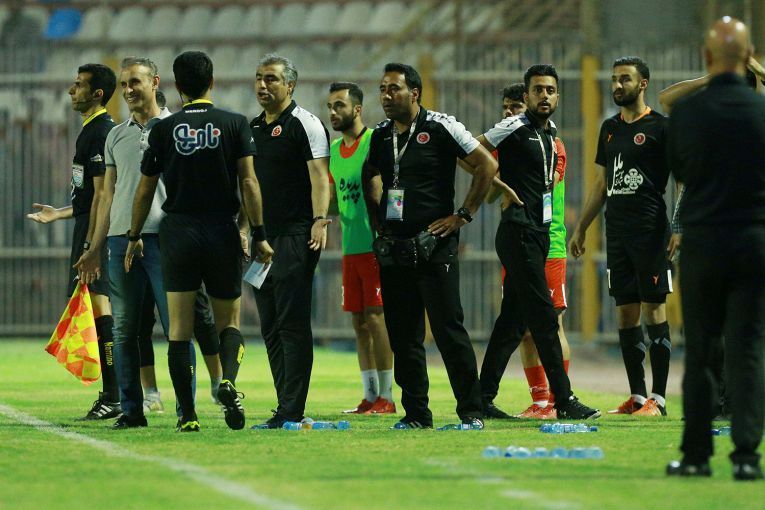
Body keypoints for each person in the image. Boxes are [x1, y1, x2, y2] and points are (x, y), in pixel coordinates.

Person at [73, 57, 224, 428]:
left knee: (178, 328)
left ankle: (186, 411)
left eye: (135, 82)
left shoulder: (177, 129)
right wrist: (94, 247)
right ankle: (131, 410)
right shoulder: (115, 135)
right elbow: (106, 195)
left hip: (166, 240)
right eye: (124, 84)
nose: (128, 90)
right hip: (118, 241)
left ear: (155, 82)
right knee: (124, 330)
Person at [126, 51, 272, 432]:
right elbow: (249, 183)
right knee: (229, 323)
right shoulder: (235, 124)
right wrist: (258, 233)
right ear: (212, 82)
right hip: (222, 229)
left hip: (179, 231)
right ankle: (227, 382)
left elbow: (144, 190)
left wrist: (134, 235)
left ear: (177, 86)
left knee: (179, 329)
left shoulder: (163, 130)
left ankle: (188, 415)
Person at [362, 62, 496, 429]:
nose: (386, 96)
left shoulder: (441, 126)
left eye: (394, 89)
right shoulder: (380, 135)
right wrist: (377, 221)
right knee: (404, 335)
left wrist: (462, 215)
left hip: (434, 244)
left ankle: (471, 412)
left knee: (448, 330)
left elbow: (486, 166)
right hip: (395, 248)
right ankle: (417, 414)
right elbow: (368, 174)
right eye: (383, 89)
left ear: (415, 93)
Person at [666, 17, 765, 481]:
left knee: (701, 348)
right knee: (748, 347)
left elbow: (680, 169)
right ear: (749, 56)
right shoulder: (761, 111)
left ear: (706, 58)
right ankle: (746, 456)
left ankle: (696, 454)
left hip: (703, 241)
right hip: (753, 240)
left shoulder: (688, 112)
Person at [476, 64, 599, 421]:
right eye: (537, 90)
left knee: (512, 323)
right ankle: (564, 400)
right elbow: (469, 149)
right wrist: (497, 184)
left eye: (550, 90)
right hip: (518, 234)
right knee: (545, 318)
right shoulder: (514, 126)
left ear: (558, 95)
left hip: (540, 235)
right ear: (527, 95)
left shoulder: (551, 134)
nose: (544, 95)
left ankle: (480, 397)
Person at [569, 56, 673, 417]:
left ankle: (659, 400)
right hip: (617, 233)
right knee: (625, 314)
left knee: (654, 309)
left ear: (642, 84)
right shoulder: (609, 128)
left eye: (625, 79)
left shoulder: (660, 127)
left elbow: (683, 179)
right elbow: (601, 183)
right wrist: (581, 227)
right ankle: (638, 397)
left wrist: (678, 226)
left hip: (651, 232)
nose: (617, 85)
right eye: (614, 79)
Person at [27, 63, 120, 421]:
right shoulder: (91, 130)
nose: (71, 90)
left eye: (79, 85)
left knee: (99, 308)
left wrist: (91, 247)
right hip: (87, 228)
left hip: (94, 235)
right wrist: (59, 214)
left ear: (97, 94)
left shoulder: (99, 132)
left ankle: (114, 395)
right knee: (96, 309)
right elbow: (89, 199)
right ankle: (115, 394)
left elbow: (103, 196)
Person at [248, 54, 330, 429]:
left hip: (296, 235)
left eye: (271, 79)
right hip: (262, 240)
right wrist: (245, 228)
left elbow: (319, 176)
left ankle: (292, 409)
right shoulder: (253, 128)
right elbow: (248, 185)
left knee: (292, 324)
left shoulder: (305, 124)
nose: (263, 85)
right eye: (259, 78)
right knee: (270, 324)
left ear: (290, 85)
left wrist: (319, 220)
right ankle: (285, 405)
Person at [326, 82, 395, 415]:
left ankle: (387, 396)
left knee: (376, 319)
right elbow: (334, 198)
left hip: (374, 246)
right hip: (350, 247)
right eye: (330, 106)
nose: (333, 112)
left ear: (357, 109)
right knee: (359, 323)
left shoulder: (374, 142)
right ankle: (369, 396)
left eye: (339, 105)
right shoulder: (334, 149)